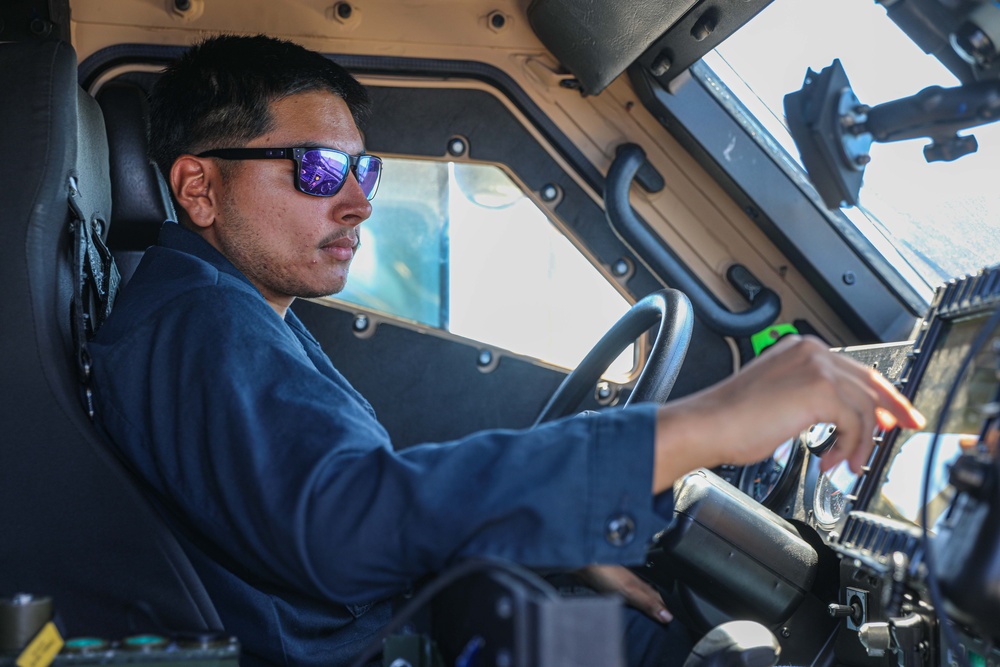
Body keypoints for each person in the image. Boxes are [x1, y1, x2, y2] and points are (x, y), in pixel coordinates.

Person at [90, 34, 924, 667]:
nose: (356, 204)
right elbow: (346, 524)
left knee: (673, 621)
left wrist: (546, 535)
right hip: (379, 642)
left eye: (363, 173)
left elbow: (343, 511)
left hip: (404, 618)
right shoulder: (199, 325)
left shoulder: (236, 311)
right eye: (315, 170)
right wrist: (702, 425)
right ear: (199, 187)